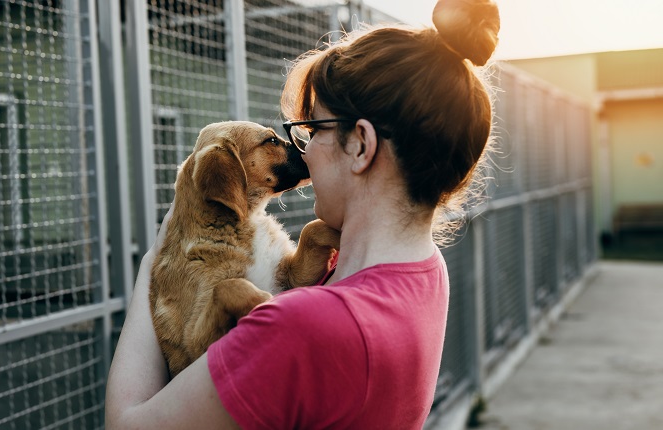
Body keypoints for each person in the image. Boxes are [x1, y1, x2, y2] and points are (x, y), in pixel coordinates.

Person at [105, 0, 500, 428]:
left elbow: (126, 423)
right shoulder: (423, 271)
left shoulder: (298, 329)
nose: (304, 149)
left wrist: (157, 259)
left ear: (362, 146)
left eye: (313, 130)